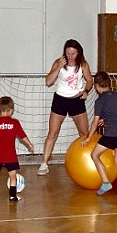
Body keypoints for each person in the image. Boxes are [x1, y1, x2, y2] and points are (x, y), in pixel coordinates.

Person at [37, 39, 93, 175]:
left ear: (78, 53)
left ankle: (88, 160)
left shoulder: (83, 64)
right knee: (52, 133)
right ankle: (44, 163)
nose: (70, 56)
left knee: (84, 133)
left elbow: (90, 80)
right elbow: (49, 81)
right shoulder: (59, 62)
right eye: (68, 53)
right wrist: (58, 67)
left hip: (77, 100)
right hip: (60, 100)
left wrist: (85, 91)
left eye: (73, 53)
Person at [81, 71, 117, 195]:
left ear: (96, 86)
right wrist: (105, 119)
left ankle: (106, 183)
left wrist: (88, 137)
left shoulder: (100, 100)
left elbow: (94, 122)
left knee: (94, 155)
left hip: (111, 134)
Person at [0, 96, 34, 201]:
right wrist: (29, 143)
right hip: (10, 156)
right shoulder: (15, 123)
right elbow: (22, 135)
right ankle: (12, 196)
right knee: (12, 175)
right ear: (11, 110)